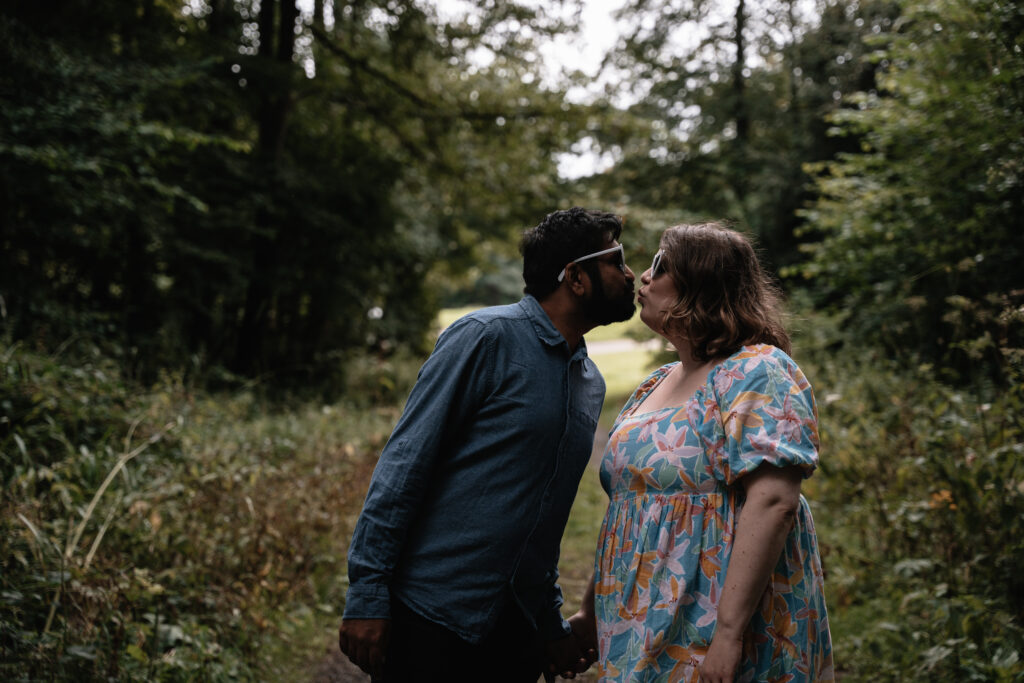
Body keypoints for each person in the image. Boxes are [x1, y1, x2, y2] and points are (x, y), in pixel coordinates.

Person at [338, 207, 637, 682]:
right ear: (575, 278)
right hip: (429, 619)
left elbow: (542, 517)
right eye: (616, 260)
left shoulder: (588, 380)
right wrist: (367, 594)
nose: (630, 274)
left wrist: (547, 622)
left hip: (515, 638)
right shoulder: (484, 338)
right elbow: (404, 465)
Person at [569, 223, 834, 682]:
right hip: (637, 624)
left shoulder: (758, 370)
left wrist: (728, 635)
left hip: (717, 626)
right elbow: (629, 510)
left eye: (660, 265)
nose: (643, 278)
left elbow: (774, 502)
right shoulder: (656, 383)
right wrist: (591, 615)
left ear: (702, 284)